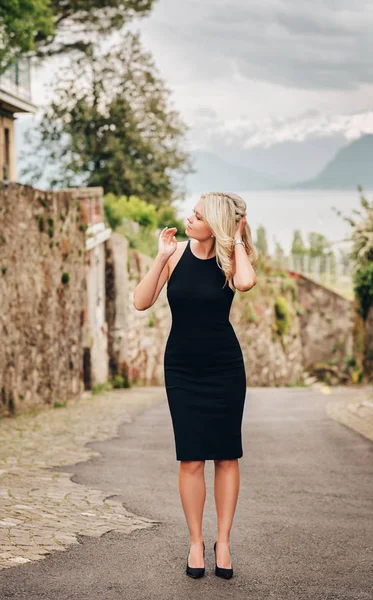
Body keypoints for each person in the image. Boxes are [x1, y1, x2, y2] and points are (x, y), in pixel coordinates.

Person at [133, 191, 257, 579]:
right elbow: (141, 301)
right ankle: (195, 543)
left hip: (224, 368)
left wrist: (235, 238)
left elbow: (247, 282)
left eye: (198, 216)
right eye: (192, 212)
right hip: (183, 369)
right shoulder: (174, 255)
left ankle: (223, 541)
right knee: (190, 458)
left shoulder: (228, 259)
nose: (189, 219)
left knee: (225, 455)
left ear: (215, 225)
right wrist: (160, 255)